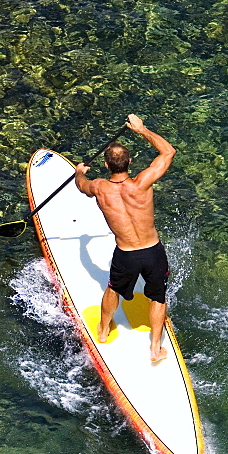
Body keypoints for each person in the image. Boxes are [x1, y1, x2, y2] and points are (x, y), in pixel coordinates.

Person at [75, 114, 176, 363]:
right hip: (152, 252)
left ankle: (102, 329)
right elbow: (168, 152)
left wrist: (79, 172)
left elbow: (81, 186)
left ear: (107, 166)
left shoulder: (99, 188)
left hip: (126, 254)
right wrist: (141, 130)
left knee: (113, 289)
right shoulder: (143, 182)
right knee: (158, 296)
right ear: (129, 162)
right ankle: (155, 348)